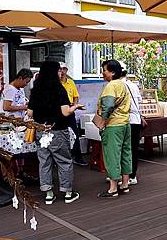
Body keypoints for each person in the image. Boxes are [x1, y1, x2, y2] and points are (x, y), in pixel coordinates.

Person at [27, 61, 85, 204]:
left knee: (44, 162)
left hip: (41, 131)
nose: (61, 72)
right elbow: (65, 112)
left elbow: (29, 113)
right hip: (57, 130)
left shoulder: (36, 89)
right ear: (53, 72)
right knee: (64, 161)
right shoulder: (59, 89)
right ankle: (67, 193)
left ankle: (48, 194)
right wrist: (75, 106)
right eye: (59, 70)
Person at [97, 59, 132, 198]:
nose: (102, 73)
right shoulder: (123, 85)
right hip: (125, 124)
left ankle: (113, 188)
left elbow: (108, 105)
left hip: (113, 126)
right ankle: (125, 184)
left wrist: (103, 121)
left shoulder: (110, 86)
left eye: (104, 70)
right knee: (125, 153)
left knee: (112, 155)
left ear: (112, 72)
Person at [59, 62, 88, 166]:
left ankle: (78, 157)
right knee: (59, 134)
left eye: (64, 69)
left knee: (75, 133)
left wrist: (74, 106)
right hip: (59, 110)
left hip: (70, 108)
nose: (62, 71)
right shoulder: (55, 83)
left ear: (67, 70)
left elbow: (75, 96)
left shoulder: (70, 82)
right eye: (60, 69)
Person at [120, 62, 142, 185]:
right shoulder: (133, 85)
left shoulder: (118, 85)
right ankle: (132, 175)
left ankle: (123, 176)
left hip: (125, 120)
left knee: (124, 149)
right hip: (136, 120)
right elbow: (139, 102)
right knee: (133, 149)